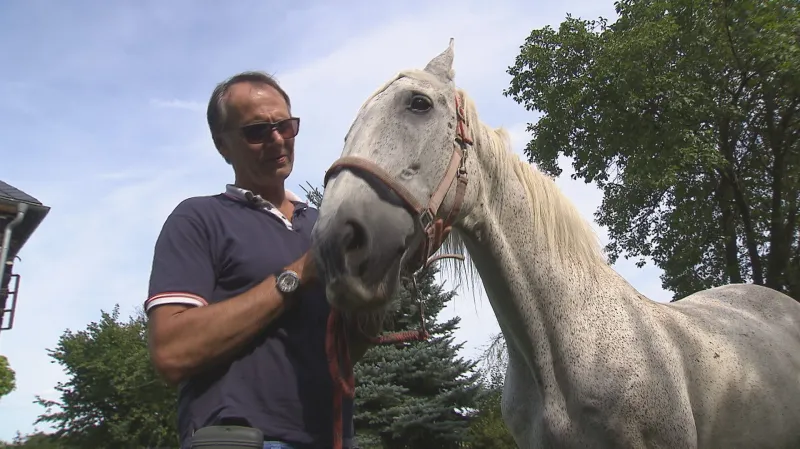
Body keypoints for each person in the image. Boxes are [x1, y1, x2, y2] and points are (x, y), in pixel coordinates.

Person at [145, 71, 372, 449]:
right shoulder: (198, 219)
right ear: (222, 146)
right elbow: (171, 351)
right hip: (240, 440)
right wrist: (301, 272)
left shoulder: (320, 225)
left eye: (285, 125)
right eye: (256, 131)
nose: (278, 139)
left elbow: (348, 346)